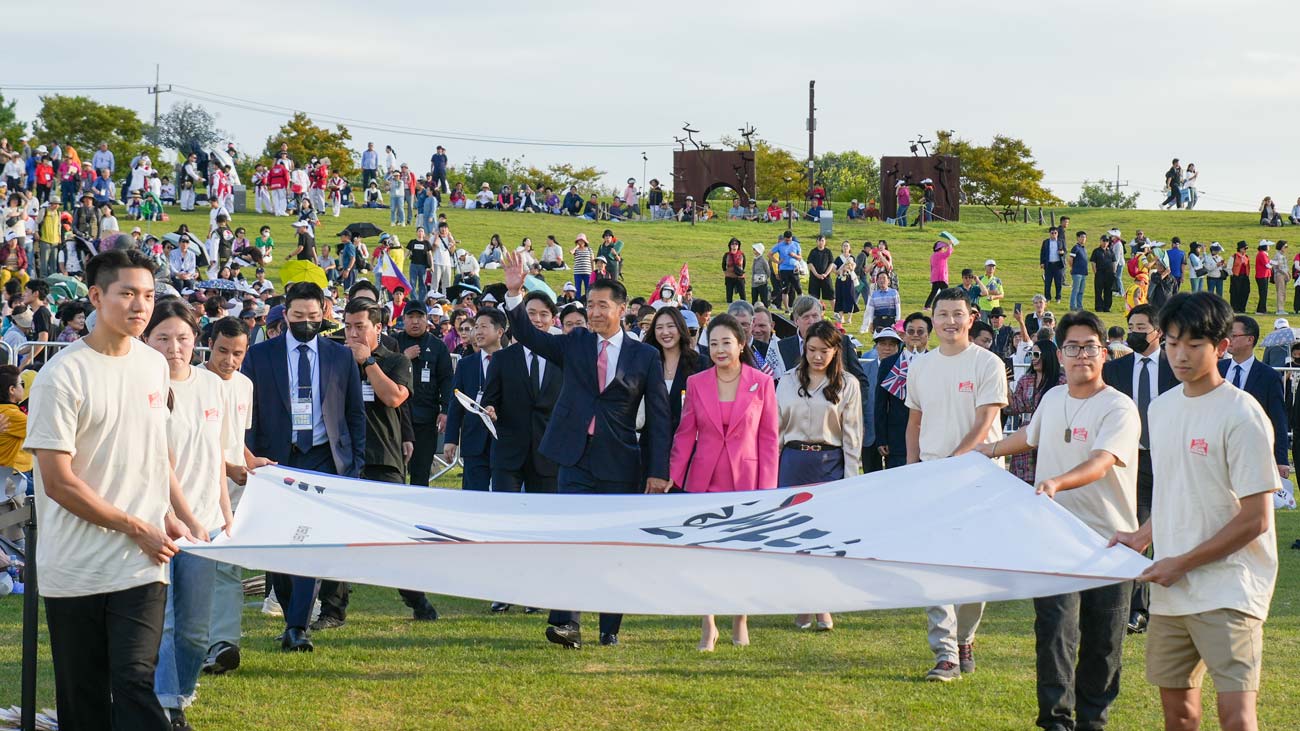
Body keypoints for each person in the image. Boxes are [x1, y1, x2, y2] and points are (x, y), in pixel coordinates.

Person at [26, 249, 191, 730]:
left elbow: (155, 447)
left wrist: (164, 511)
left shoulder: (153, 365)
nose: (141, 306)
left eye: (149, 295)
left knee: (136, 680)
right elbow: (58, 482)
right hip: (75, 567)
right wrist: (133, 524)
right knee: (85, 700)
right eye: (128, 294)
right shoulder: (61, 376)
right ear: (96, 296)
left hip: (142, 565)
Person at [1110, 293, 1280, 731]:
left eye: (1193, 344)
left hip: (1230, 589)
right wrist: (1143, 536)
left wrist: (1180, 563)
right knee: (1179, 716)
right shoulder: (1162, 409)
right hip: (1171, 593)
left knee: (1236, 718)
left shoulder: (1242, 414)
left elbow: (1257, 518)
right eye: (1171, 343)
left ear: (1221, 346)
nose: (1180, 355)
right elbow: (1174, 490)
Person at [976, 311, 1141, 731]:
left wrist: (1055, 483)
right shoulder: (1052, 398)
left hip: (1109, 542)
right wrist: (985, 452)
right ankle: (1054, 721)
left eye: (1089, 347)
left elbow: (1102, 462)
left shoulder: (1119, 408)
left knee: (1103, 642)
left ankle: (1093, 720)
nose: (1080, 355)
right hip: (1053, 539)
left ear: (1104, 353)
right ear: (1061, 354)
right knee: (1054, 632)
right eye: (1072, 347)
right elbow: (1030, 437)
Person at [500, 250, 671, 649]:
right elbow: (530, 336)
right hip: (573, 459)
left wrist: (658, 470)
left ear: (622, 309)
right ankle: (566, 623)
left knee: (613, 545)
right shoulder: (575, 342)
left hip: (620, 462)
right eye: (590, 304)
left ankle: (609, 626)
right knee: (571, 540)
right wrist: (514, 293)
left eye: (602, 305)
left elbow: (661, 419)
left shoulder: (644, 356)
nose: (594, 312)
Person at [241, 282, 367, 652]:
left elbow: (354, 414)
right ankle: (289, 611)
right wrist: (250, 457)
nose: (306, 323)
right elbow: (249, 413)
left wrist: (354, 465)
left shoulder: (338, 356)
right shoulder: (260, 356)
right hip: (276, 458)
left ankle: (298, 626)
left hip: (325, 457)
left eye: (313, 317)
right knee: (279, 542)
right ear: (285, 314)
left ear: (325, 313)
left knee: (311, 539)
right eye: (298, 317)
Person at [904, 288, 1009, 682]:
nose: (950, 321)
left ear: (971, 317)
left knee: (974, 568)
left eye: (957, 314)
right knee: (933, 567)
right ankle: (945, 652)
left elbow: (985, 422)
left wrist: (955, 462)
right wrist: (913, 469)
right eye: (942, 314)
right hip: (931, 478)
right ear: (933, 319)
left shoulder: (988, 364)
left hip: (979, 478)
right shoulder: (921, 366)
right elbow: (915, 422)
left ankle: (965, 636)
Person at [315, 299, 439, 628]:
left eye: (360, 327)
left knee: (394, 539)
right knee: (337, 537)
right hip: (342, 461)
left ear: (378, 329)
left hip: (384, 459)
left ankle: (416, 598)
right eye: (348, 326)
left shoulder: (396, 360)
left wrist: (368, 361)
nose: (352, 333)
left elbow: (395, 398)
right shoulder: (334, 361)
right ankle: (332, 610)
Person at [141, 299, 230, 729]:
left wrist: (224, 515)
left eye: (183, 338)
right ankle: (167, 707)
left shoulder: (213, 385)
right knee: (169, 623)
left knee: (196, 630)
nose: (174, 347)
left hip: (206, 524)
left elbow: (216, 455)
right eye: (163, 338)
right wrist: (181, 516)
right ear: (147, 339)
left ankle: (180, 692)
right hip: (158, 521)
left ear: (197, 340)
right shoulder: (143, 388)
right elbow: (157, 463)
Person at [669, 313, 779, 651]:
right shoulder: (698, 382)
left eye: (725, 342)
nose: (719, 349)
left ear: (740, 344)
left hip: (747, 481)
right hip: (705, 481)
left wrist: (768, 490)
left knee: (742, 556)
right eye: (713, 343)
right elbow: (686, 434)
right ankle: (708, 624)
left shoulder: (761, 383)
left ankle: (740, 619)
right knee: (705, 557)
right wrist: (673, 478)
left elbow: (769, 438)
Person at [776, 319, 862, 632]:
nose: (816, 356)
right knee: (795, 537)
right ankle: (801, 604)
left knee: (825, 538)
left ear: (835, 351)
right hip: (793, 462)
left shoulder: (848, 384)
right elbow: (775, 430)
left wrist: (851, 482)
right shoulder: (786, 381)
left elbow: (852, 436)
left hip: (830, 463)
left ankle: (823, 604)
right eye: (811, 349)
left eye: (823, 351)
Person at [199, 317, 268, 677]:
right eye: (223, 351)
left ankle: (223, 644)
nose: (229, 360)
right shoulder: (193, 383)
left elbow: (234, 440)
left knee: (228, 567)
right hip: (195, 489)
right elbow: (193, 445)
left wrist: (254, 463)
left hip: (235, 490)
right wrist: (230, 468)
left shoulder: (244, 385)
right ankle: (193, 640)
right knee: (194, 568)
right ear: (209, 345)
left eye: (237, 353)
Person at [1101, 303, 1177, 635]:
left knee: (1176, 531)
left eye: (1141, 328)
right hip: (1134, 461)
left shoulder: (1177, 366)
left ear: (1158, 331)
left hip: (1174, 458)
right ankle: (1138, 608)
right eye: (1130, 326)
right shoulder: (1116, 371)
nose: (1134, 333)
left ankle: (1175, 605)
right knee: (1138, 532)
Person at [482, 292, 561, 500]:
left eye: (544, 314)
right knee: (504, 516)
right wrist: (489, 409)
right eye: (531, 313)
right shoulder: (501, 359)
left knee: (543, 521)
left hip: (548, 455)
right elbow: (490, 399)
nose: (537, 319)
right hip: (508, 454)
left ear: (553, 320)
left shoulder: (563, 358)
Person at [1220, 316, 1291, 480]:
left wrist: (1281, 459)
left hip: (1252, 454)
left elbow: (1278, 418)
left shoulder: (1268, 376)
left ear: (1249, 339)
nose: (1228, 340)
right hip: (1218, 452)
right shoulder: (1217, 369)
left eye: (1234, 335)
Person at [393, 303, 453, 488]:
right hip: (398, 418)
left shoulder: (437, 346)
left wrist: (445, 409)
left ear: (427, 320)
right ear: (403, 320)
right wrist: (403, 357)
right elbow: (383, 372)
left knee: (421, 473)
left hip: (426, 418)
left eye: (420, 317)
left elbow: (447, 380)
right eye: (411, 317)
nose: (415, 321)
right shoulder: (394, 343)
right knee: (396, 473)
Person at [444, 308, 505, 491]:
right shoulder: (466, 364)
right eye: (476, 327)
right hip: (474, 442)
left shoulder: (514, 361)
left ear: (499, 331)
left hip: (504, 440)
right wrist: (451, 439)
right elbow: (456, 403)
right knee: (473, 496)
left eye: (483, 327)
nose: (477, 332)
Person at [1005, 340, 1064, 483]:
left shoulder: (1062, 382)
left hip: (1050, 436)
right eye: (1031, 354)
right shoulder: (1025, 380)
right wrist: (1005, 384)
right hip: (1025, 436)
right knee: (1021, 485)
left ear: (1048, 356)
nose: (1033, 358)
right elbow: (1013, 408)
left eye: (1036, 354)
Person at [862, 271, 901, 335]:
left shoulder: (894, 292)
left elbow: (898, 308)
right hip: (878, 321)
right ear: (877, 281)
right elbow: (871, 310)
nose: (882, 280)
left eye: (884, 278)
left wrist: (897, 321)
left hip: (891, 321)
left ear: (888, 281)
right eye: (879, 278)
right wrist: (871, 323)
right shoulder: (874, 294)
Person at [772, 231, 803, 308]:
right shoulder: (779, 245)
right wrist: (777, 262)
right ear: (784, 239)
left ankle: (801, 306)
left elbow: (800, 258)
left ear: (791, 238)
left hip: (794, 269)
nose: (788, 242)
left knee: (798, 288)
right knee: (785, 289)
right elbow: (769, 254)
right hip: (784, 270)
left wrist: (794, 255)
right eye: (786, 240)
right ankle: (787, 308)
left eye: (789, 240)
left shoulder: (796, 245)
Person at [925, 237, 955, 309]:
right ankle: (947, 305)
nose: (944, 249)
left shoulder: (933, 256)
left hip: (935, 277)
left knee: (933, 292)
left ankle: (927, 306)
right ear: (940, 248)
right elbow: (948, 253)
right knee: (946, 292)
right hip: (941, 277)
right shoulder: (940, 255)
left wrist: (950, 246)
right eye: (943, 248)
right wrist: (950, 245)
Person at [1041, 226, 1066, 304]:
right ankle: (1047, 298)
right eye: (1052, 233)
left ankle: (1058, 297)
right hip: (1049, 265)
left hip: (1058, 264)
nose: (1054, 234)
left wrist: (1062, 253)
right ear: (1049, 233)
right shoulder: (1046, 242)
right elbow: (1042, 253)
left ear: (1057, 233)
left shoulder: (1061, 241)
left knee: (1058, 283)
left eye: (1055, 233)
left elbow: (1065, 251)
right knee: (1048, 282)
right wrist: (1042, 262)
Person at [806, 235, 835, 303]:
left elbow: (831, 263)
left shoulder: (828, 252)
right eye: (819, 240)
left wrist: (825, 274)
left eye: (822, 241)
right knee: (814, 298)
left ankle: (836, 313)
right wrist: (816, 274)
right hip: (814, 278)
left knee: (831, 296)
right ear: (816, 241)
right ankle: (815, 312)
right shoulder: (813, 252)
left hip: (826, 277)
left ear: (825, 242)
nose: (821, 242)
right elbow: (810, 264)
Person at [1068, 231, 1089, 310]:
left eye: (1084, 237)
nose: (1083, 239)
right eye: (1082, 237)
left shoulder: (1083, 248)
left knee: (1081, 291)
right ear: (1078, 238)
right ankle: (1073, 306)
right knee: (1075, 290)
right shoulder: (1075, 247)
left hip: (1083, 272)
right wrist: (1072, 268)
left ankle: (1079, 306)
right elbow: (1070, 259)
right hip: (1077, 272)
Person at [722, 237, 746, 303]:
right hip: (729, 277)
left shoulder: (742, 255)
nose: (734, 246)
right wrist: (727, 273)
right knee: (729, 296)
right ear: (730, 246)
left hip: (739, 277)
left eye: (736, 244)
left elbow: (743, 265)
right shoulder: (727, 255)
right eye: (732, 244)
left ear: (738, 246)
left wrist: (739, 271)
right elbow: (723, 266)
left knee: (743, 295)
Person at [1272, 241, 1291, 315]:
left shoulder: (1283, 255)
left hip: (1284, 275)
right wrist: (1286, 274)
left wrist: (1288, 274)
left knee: (1283, 292)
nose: (1286, 248)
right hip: (1280, 275)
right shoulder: (1278, 255)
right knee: (1280, 292)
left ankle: (1281, 308)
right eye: (1285, 246)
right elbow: (1279, 267)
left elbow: (1285, 266)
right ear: (1281, 247)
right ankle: (1280, 309)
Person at [1254, 239, 1272, 314]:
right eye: (1268, 246)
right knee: (1263, 293)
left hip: (1264, 275)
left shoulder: (1263, 254)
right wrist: (1274, 265)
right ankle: (1261, 309)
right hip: (1262, 276)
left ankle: (1261, 309)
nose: (1269, 247)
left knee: (1264, 293)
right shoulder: (1262, 254)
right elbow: (1267, 265)